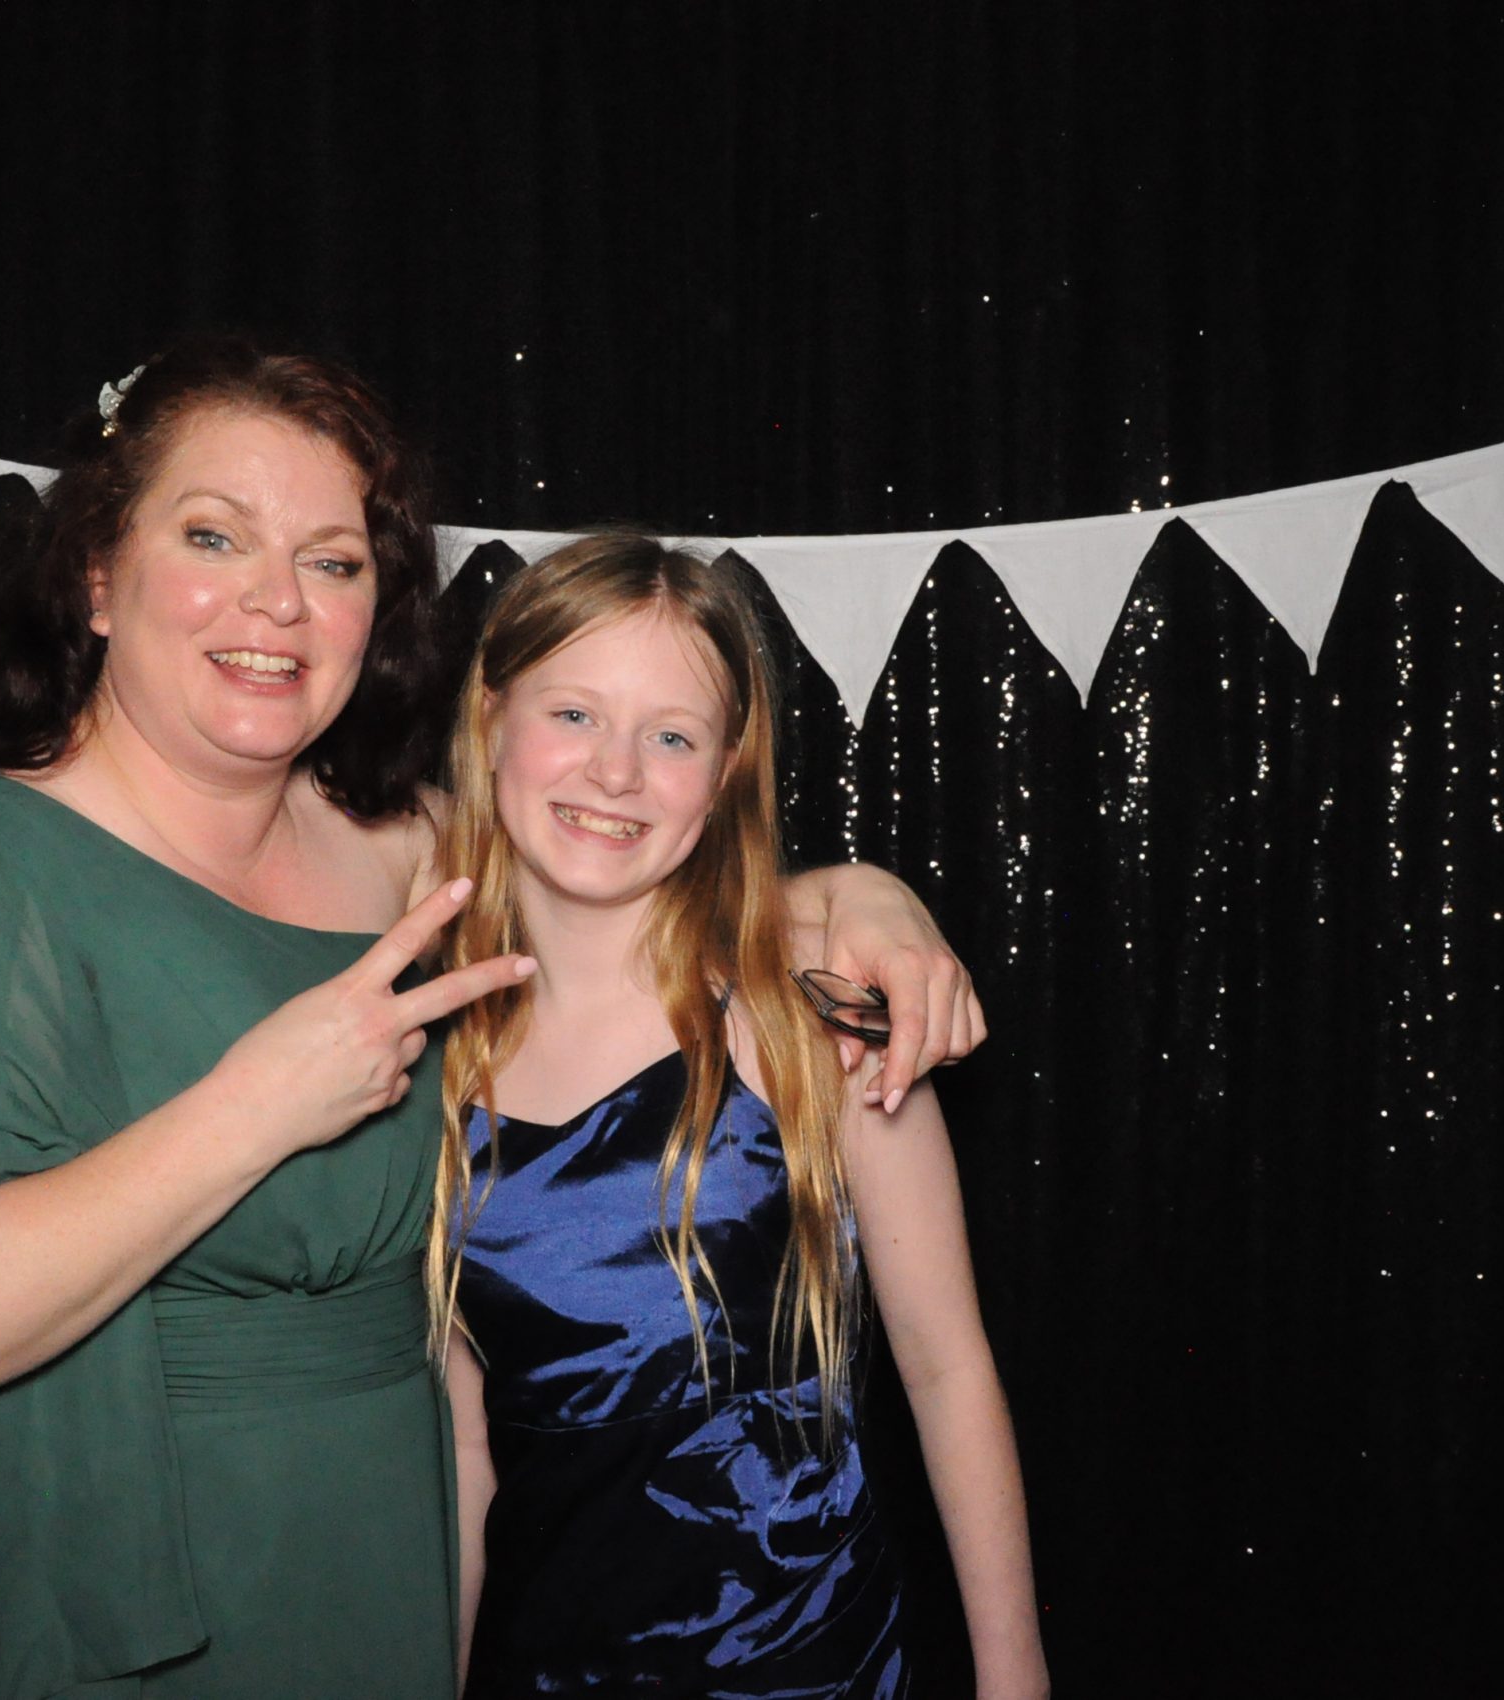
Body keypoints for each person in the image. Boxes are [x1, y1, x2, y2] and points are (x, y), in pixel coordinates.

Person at [0, 339, 985, 1699]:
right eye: (214, 535)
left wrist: (856, 898)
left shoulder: (397, 854)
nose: (276, 600)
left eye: (331, 561)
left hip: (384, 1577)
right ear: (95, 572)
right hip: (119, 1590)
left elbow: (616, 866)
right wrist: (255, 1106)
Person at [433, 536, 1048, 1698]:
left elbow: (947, 1367)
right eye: (574, 712)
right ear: (492, 719)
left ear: (722, 774)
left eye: (670, 736)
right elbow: (466, 1444)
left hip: (807, 1666)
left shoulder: (815, 1023)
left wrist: (1014, 1674)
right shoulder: (434, 1053)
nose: (616, 771)